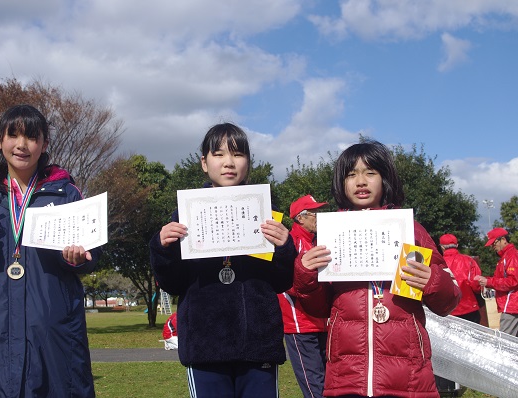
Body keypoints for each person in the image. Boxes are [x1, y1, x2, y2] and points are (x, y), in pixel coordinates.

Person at [0, 104, 100, 397]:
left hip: (52, 325)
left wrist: (80, 258)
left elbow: (92, 253)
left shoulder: (65, 192)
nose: (21, 145)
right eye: (13, 135)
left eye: (31, 137)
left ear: (43, 144)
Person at [297, 140, 460, 398]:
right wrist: (306, 275)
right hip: (347, 376)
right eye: (351, 174)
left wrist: (432, 281)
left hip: (408, 376)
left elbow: (448, 301)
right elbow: (317, 309)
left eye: (370, 172)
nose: (361, 181)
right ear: (341, 183)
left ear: (385, 178)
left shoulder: (412, 231)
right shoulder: (329, 235)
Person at [149, 122, 297, 398]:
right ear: (204, 163)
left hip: (258, 342)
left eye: (238, 154)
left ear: (249, 162)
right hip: (206, 344)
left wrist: (285, 247)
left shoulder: (265, 212)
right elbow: (173, 283)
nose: (229, 162)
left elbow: (281, 281)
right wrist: (163, 247)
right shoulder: (184, 215)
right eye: (219, 154)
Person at [278, 195, 329, 398]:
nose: (319, 217)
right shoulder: (289, 243)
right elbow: (287, 283)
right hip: (300, 325)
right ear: (300, 218)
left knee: (330, 382)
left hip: (324, 324)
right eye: (314, 213)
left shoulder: (320, 240)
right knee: (314, 385)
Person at [474, 227, 518, 337]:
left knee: (504, 342)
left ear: (503, 239)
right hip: (512, 305)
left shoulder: (511, 256)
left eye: (494, 243)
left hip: (512, 306)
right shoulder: (506, 257)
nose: (493, 247)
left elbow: (513, 281)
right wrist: (487, 280)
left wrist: (488, 282)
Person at [439, 233, 482, 323]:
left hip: (448, 311)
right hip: (470, 308)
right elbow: (476, 285)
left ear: (442, 247)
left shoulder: (438, 264)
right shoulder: (469, 260)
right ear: (457, 245)